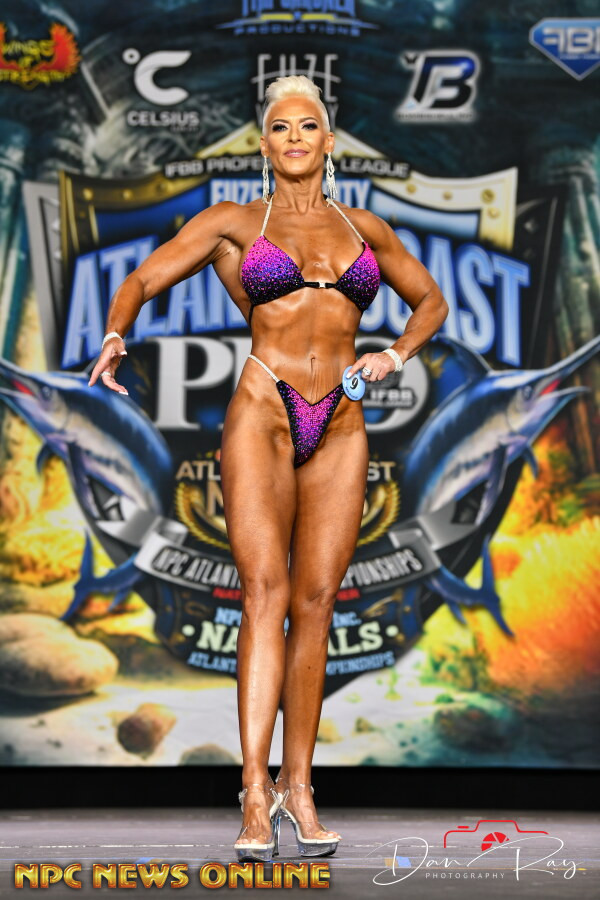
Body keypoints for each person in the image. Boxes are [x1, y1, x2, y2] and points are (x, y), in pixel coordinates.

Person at [88, 75, 449, 861]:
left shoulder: (365, 229)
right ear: (264, 144)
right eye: (280, 127)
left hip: (343, 420)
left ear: (328, 141)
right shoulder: (233, 222)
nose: (294, 137)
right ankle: (254, 791)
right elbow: (143, 278)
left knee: (318, 602)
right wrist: (116, 333)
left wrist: (393, 355)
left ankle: (299, 787)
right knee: (265, 594)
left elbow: (431, 302)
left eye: (307, 125)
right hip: (264, 408)